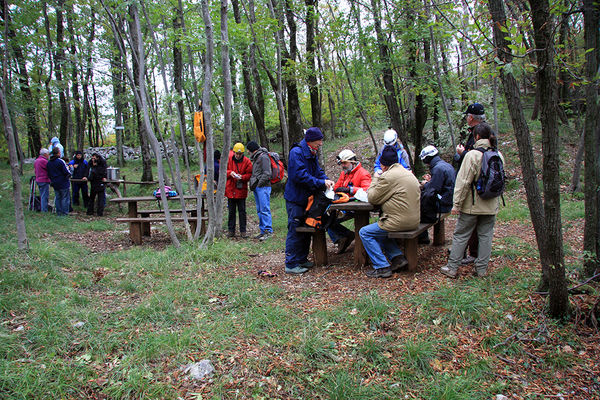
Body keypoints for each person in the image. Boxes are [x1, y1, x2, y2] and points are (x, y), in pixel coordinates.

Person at [441, 123, 504, 278]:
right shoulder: (498, 154)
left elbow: (463, 182)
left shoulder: (472, 155)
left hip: (472, 205)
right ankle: (481, 270)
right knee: (486, 236)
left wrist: (456, 204)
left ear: (476, 137)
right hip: (490, 205)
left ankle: (452, 267)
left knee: (461, 235)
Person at [359, 146, 420, 278]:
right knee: (380, 231)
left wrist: (375, 178)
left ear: (383, 164)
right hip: (414, 220)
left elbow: (372, 197)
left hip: (400, 221)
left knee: (365, 232)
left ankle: (382, 266)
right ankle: (397, 257)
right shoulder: (408, 173)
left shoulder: (387, 177)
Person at [284, 128, 335, 274]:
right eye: (318, 141)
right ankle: (291, 264)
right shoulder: (297, 153)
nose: (320, 144)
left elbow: (317, 171)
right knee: (295, 229)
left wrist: (325, 179)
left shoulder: (312, 153)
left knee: (306, 229)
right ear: (310, 140)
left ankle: (301, 258)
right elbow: (300, 176)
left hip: (308, 199)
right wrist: (320, 183)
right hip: (296, 199)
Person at [454, 102, 486, 264]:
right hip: (482, 186)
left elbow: (475, 158)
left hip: (475, 187)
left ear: (471, 117)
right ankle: (477, 255)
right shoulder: (487, 132)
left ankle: (467, 256)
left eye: (467, 116)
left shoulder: (479, 133)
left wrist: (462, 153)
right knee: (481, 226)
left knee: (468, 223)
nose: (466, 118)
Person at [328, 149, 372, 254]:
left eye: (345, 163)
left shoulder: (363, 173)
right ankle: (344, 236)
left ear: (352, 162)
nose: (343, 166)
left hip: (357, 207)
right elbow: (337, 187)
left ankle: (361, 250)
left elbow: (368, 190)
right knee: (326, 220)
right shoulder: (344, 174)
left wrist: (351, 190)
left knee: (359, 222)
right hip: (344, 207)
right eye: (342, 163)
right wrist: (335, 189)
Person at [418, 145, 455, 244]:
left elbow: (433, 191)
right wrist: (431, 181)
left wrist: (426, 184)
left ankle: (422, 237)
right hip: (448, 202)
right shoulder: (445, 165)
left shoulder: (438, 169)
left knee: (417, 206)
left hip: (442, 205)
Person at [247, 140, 274, 240]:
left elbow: (267, 173)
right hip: (258, 187)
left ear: (252, 150)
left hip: (263, 187)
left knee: (264, 209)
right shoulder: (256, 157)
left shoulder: (263, 157)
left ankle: (268, 231)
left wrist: (259, 183)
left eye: (248, 150)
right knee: (259, 210)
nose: (248, 153)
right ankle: (263, 231)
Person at [225, 143, 253, 238]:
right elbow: (224, 171)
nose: (238, 155)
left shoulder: (247, 161)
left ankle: (243, 231)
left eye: (240, 154)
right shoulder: (229, 159)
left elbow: (249, 174)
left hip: (241, 191)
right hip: (230, 190)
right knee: (231, 212)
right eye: (237, 153)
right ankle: (231, 231)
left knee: (242, 212)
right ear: (234, 152)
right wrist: (230, 173)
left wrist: (242, 177)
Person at [46, 147, 71, 216]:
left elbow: (48, 173)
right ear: (58, 153)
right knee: (64, 198)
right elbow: (67, 172)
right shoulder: (60, 161)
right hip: (63, 182)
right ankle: (64, 213)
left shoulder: (49, 163)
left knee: (58, 197)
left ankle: (58, 212)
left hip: (54, 182)